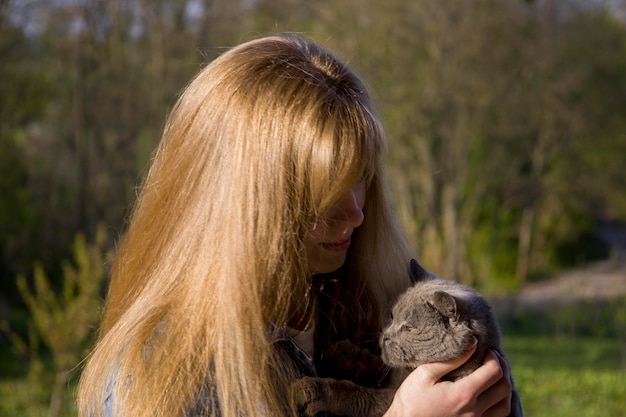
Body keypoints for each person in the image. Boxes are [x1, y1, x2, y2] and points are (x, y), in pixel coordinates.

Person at [77, 34, 513, 417]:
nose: (357, 214)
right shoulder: (161, 375)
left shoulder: (382, 299)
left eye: (360, 177)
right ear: (236, 203)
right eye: (321, 194)